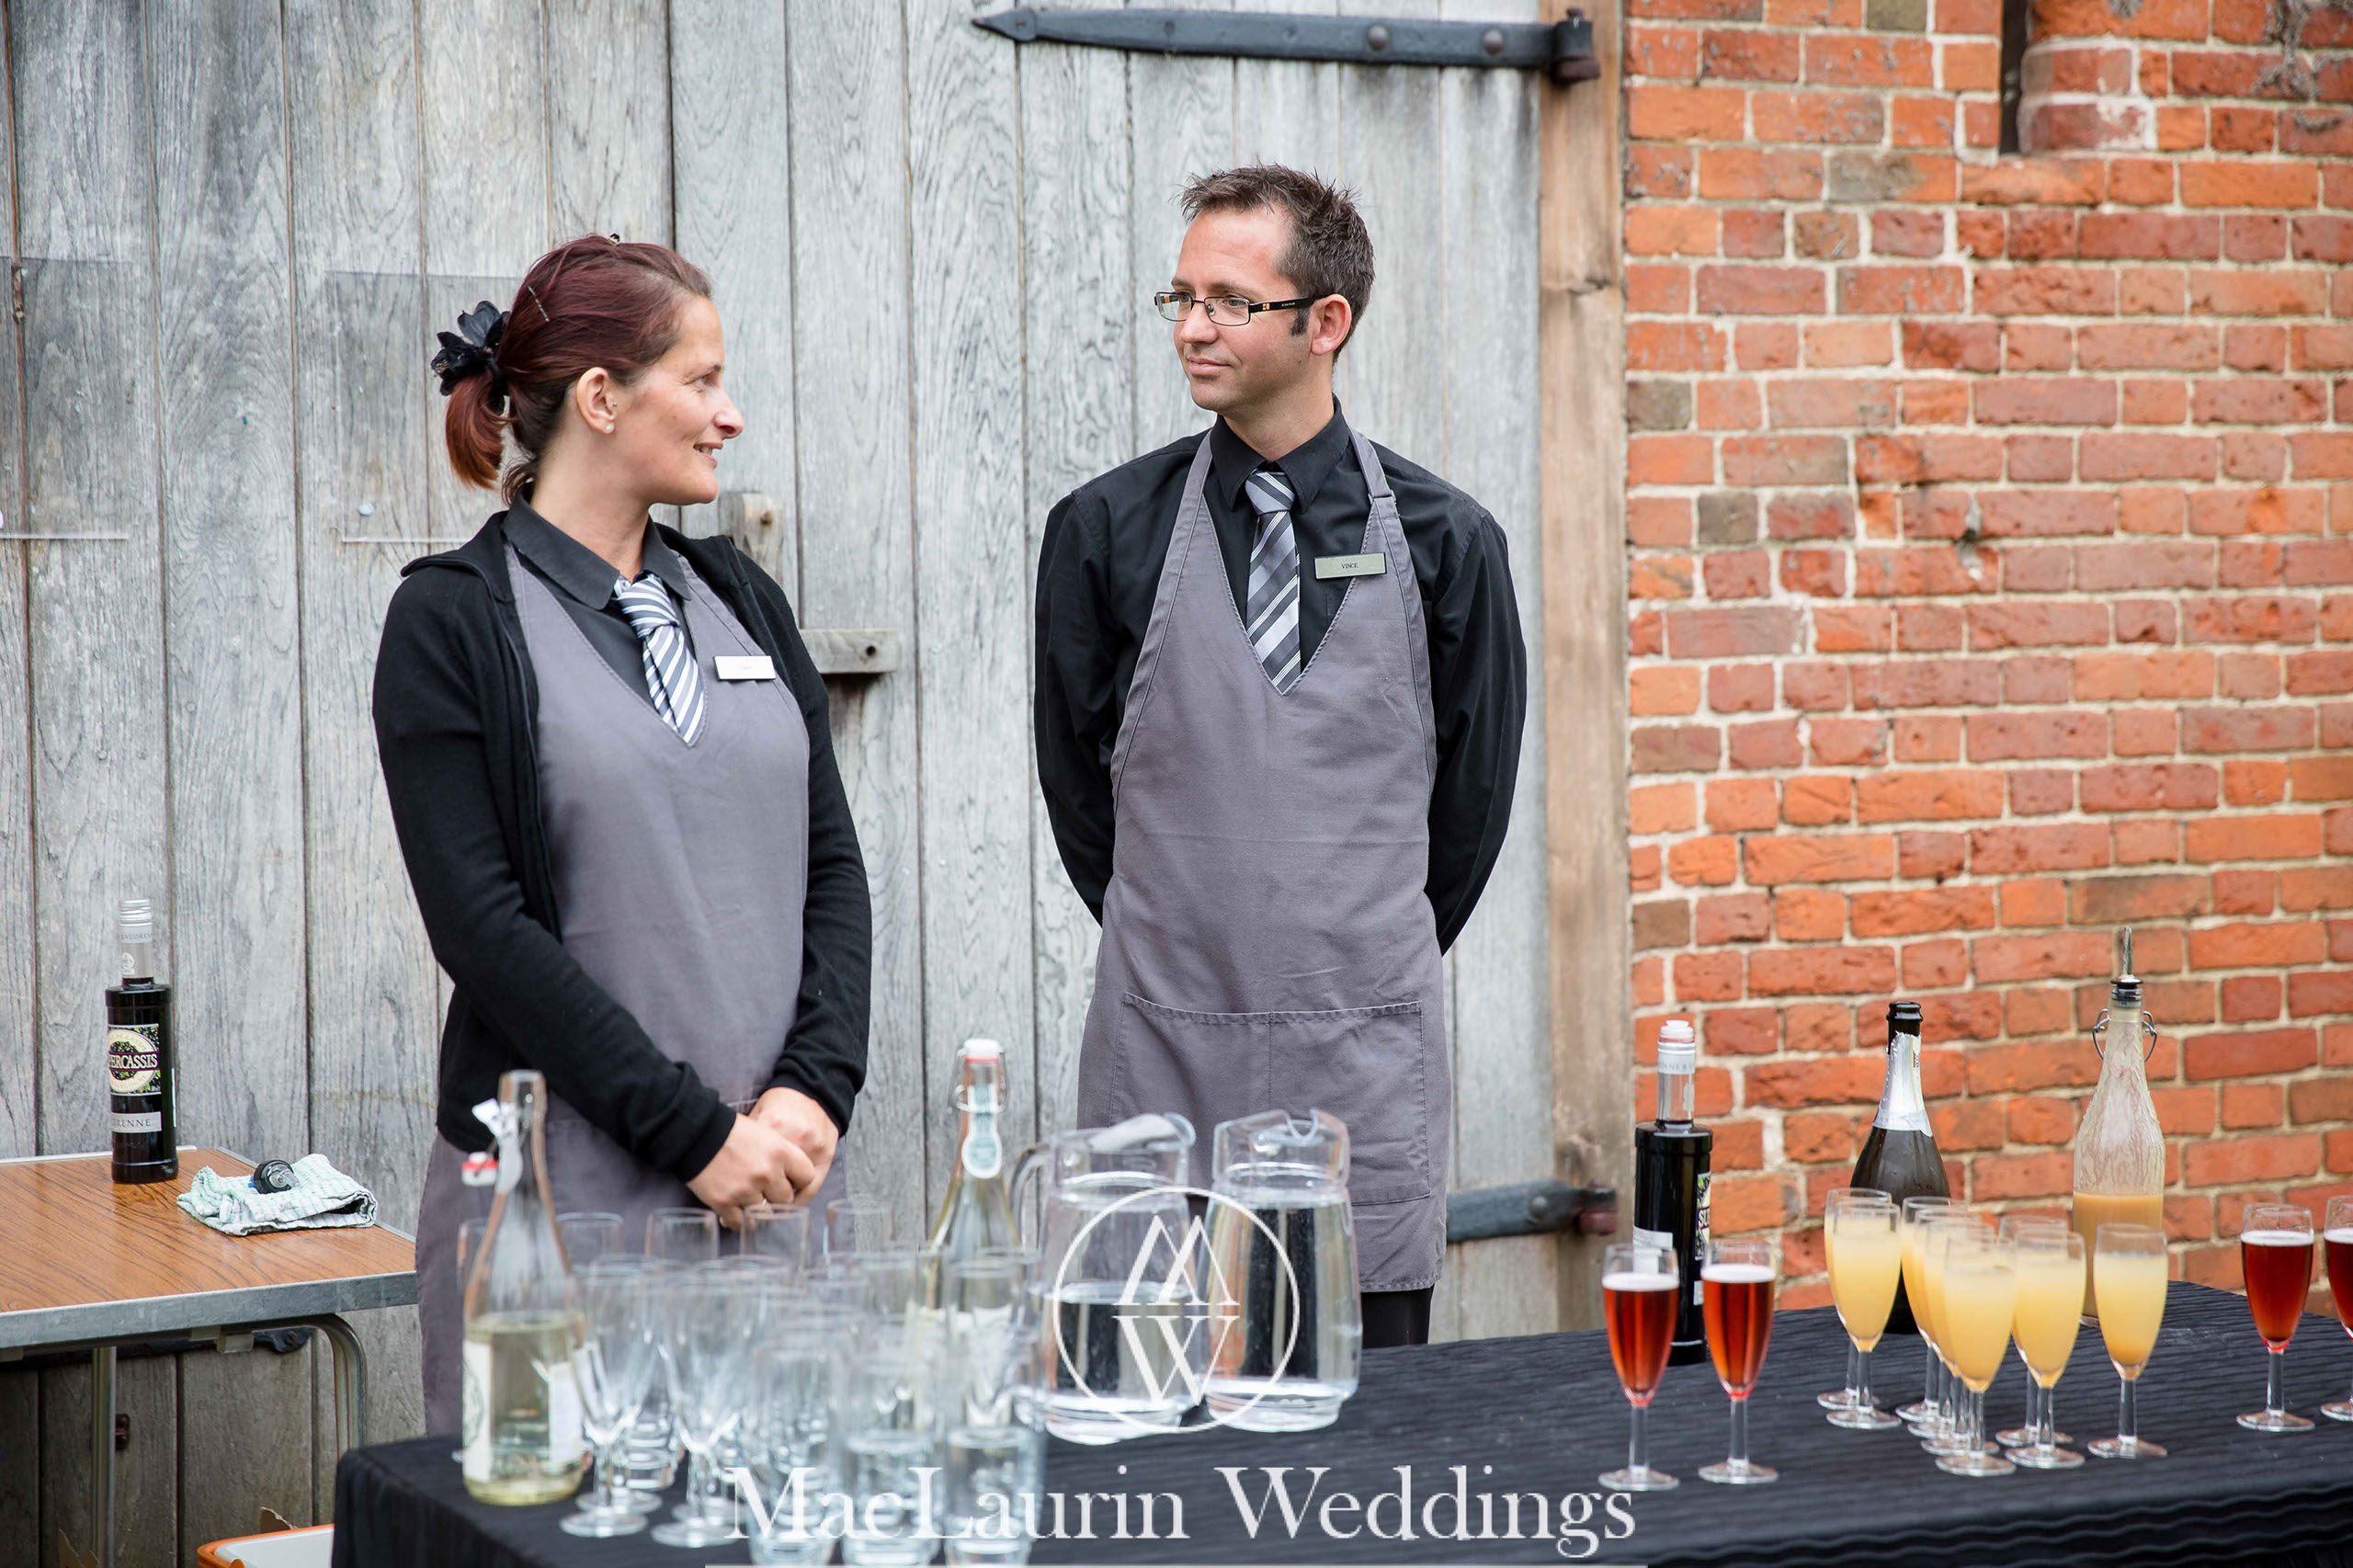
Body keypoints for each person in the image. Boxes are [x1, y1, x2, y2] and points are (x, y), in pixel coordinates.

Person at [373, 235, 870, 1433]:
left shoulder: (743, 599)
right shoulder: (452, 624)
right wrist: (697, 1134)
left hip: (773, 1187)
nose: (728, 414)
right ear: (602, 397)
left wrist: (815, 1088)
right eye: (700, 380)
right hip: (562, 1211)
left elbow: (833, 867)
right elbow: (484, 932)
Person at [1034, 166, 1528, 1347]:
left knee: (1359, 1416)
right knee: (1151, 1401)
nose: (1193, 327)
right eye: (1181, 297)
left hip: (1359, 1062)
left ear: (1325, 323)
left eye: (1230, 300)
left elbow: (1467, 818)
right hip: (1162, 1043)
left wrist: (1338, 952)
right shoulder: (1103, 533)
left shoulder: (1450, 542)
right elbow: (1078, 793)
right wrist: (1195, 933)